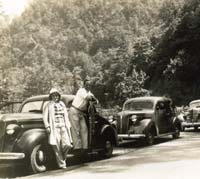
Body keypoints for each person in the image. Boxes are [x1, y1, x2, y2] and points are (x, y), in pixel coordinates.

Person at [43, 88, 73, 169]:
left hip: (63, 126)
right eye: (53, 95)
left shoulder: (62, 104)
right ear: (51, 97)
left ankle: (62, 157)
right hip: (54, 127)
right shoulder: (48, 105)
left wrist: (68, 125)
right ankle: (62, 164)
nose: (55, 97)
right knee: (56, 146)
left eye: (56, 95)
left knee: (67, 144)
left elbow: (66, 116)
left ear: (59, 96)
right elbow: (45, 117)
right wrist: (47, 126)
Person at [68, 79, 98, 153]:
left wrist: (93, 98)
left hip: (82, 112)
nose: (88, 85)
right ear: (84, 85)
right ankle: (77, 149)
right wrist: (92, 98)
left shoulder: (89, 92)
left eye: (90, 84)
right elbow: (88, 98)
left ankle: (85, 148)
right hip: (75, 110)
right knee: (76, 130)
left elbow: (97, 101)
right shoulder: (81, 91)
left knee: (84, 130)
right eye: (87, 84)